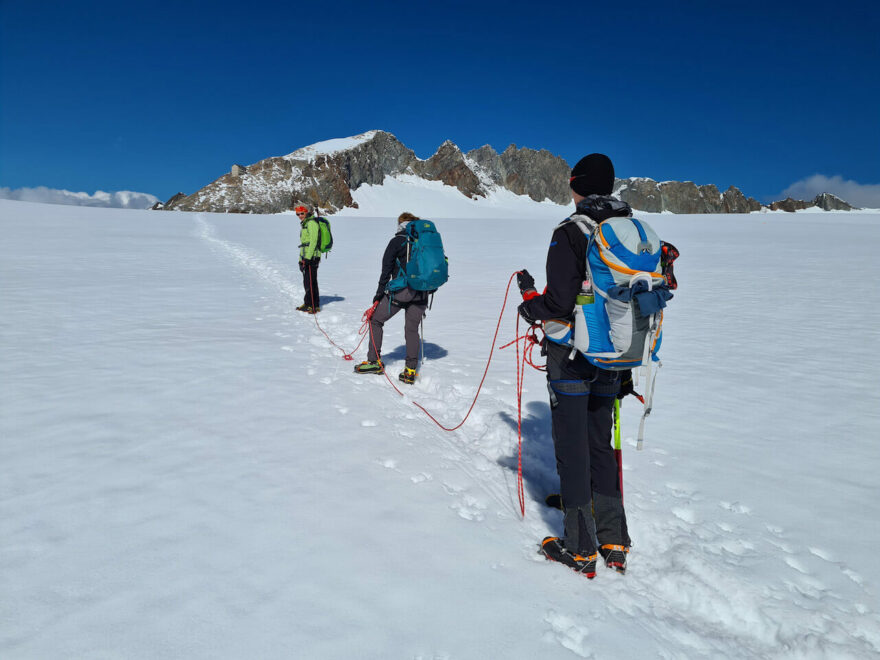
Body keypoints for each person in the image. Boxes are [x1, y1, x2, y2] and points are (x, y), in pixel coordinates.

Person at [517, 153, 635, 578]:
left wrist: (531, 304)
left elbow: (559, 303)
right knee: (601, 444)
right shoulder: (628, 230)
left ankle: (580, 546)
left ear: (578, 186)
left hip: (571, 357)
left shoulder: (571, 231)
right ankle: (613, 538)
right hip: (617, 357)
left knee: (572, 446)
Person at [354, 212, 428, 384]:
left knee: (375, 320)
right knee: (411, 330)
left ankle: (374, 362)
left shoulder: (397, 241)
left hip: (402, 291)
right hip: (422, 293)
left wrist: (378, 295)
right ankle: (410, 371)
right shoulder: (425, 242)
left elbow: (386, 270)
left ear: (400, 224)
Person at [296, 204, 321, 313]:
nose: (300, 216)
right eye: (298, 214)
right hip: (306, 256)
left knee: (310, 282)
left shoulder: (311, 223)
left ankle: (313, 306)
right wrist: (301, 258)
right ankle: (308, 303)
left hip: (312, 257)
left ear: (307, 212)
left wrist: (308, 258)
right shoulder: (305, 223)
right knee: (308, 281)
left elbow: (313, 242)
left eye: (302, 213)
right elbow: (304, 244)